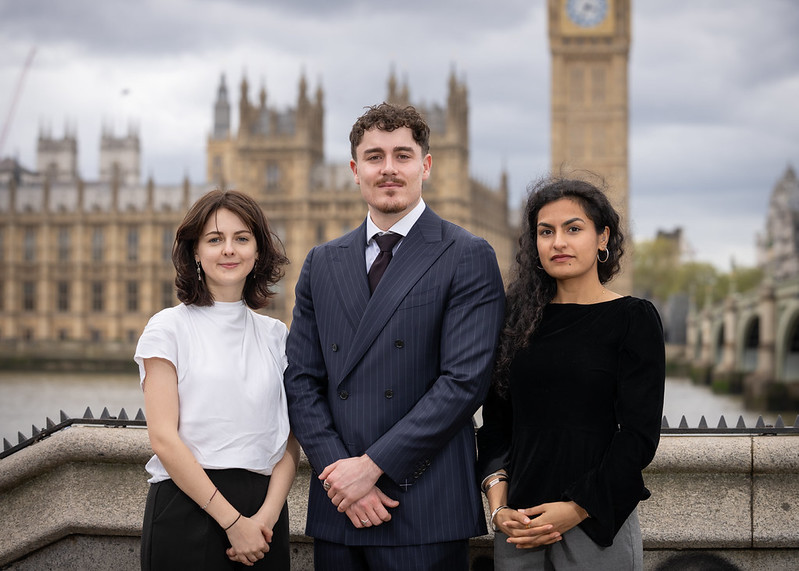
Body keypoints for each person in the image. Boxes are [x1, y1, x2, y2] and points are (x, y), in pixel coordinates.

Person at [284, 102, 506, 570]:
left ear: (425, 166)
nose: (388, 169)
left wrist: (371, 468)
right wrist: (340, 477)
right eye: (374, 157)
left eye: (402, 156)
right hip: (339, 503)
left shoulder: (467, 254)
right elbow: (301, 379)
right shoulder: (322, 262)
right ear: (354, 169)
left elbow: (463, 383)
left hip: (422, 505)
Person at [476, 177, 665, 570]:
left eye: (573, 229)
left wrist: (576, 508)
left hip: (596, 525)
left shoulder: (633, 318)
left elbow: (638, 436)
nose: (558, 242)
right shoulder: (514, 319)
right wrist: (498, 508)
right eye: (546, 232)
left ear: (603, 238)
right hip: (520, 527)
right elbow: (496, 426)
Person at [135, 189, 300, 570]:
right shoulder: (167, 328)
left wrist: (266, 517)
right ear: (195, 251)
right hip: (186, 508)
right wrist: (232, 522)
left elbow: (291, 438)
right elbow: (162, 437)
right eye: (215, 239)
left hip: (264, 518)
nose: (229, 249)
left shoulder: (277, 335)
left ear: (258, 251)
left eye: (242, 238)